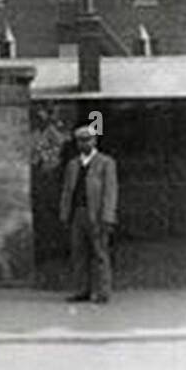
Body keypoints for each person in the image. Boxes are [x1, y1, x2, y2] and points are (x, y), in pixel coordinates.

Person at [59, 125, 118, 303]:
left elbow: (110, 191)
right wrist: (64, 213)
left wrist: (108, 216)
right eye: (80, 140)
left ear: (94, 140)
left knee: (100, 253)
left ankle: (102, 291)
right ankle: (81, 289)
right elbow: (67, 191)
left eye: (87, 139)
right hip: (78, 213)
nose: (84, 143)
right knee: (79, 253)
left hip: (97, 214)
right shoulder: (73, 164)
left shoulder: (106, 162)